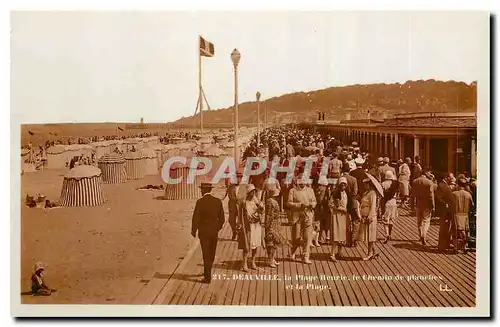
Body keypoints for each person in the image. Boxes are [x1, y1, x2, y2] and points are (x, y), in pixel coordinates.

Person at [191, 182, 225, 283]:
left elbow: (195, 217)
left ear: (203, 190)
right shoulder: (218, 201)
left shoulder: (200, 202)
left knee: (206, 253)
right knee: (212, 252)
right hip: (214, 232)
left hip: (204, 232)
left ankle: (207, 276)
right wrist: (217, 228)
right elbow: (222, 219)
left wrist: (194, 230)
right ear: (210, 190)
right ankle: (208, 270)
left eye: (201, 189)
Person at [287, 174, 317, 264]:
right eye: (300, 180)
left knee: (307, 237)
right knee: (296, 237)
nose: (302, 182)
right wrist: (299, 205)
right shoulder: (292, 191)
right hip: (297, 217)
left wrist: (313, 204)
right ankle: (292, 252)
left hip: (308, 215)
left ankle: (305, 256)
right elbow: (288, 203)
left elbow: (314, 201)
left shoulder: (310, 190)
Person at [238, 184, 265, 271]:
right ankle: (244, 263)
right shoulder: (243, 202)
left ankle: (253, 261)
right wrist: (239, 224)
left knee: (255, 244)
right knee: (247, 245)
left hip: (256, 225)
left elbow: (262, 211)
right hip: (248, 226)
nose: (253, 193)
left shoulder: (256, 201)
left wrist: (261, 208)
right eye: (252, 192)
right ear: (248, 193)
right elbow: (239, 214)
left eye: (254, 191)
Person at [357, 177, 379, 261]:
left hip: (370, 217)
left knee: (370, 236)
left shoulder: (373, 193)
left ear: (369, 185)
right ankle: (374, 251)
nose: (365, 186)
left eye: (366, 184)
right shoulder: (366, 192)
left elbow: (373, 206)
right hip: (364, 215)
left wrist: (370, 217)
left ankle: (369, 253)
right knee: (368, 235)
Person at [411, 171, 435, 246]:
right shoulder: (429, 182)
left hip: (418, 203)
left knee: (419, 221)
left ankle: (420, 235)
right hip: (427, 204)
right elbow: (431, 195)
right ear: (425, 174)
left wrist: (412, 204)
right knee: (426, 221)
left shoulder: (415, 181)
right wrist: (433, 205)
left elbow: (412, 193)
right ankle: (424, 234)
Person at [328, 177, 349, 262]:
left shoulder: (346, 193)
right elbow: (330, 204)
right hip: (337, 215)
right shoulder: (335, 193)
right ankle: (332, 253)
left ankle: (339, 251)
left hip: (343, 216)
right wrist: (339, 208)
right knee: (336, 234)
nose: (343, 186)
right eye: (342, 184)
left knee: (342, 234)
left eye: (344, 184)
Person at [435, 172, 456, 252]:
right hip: (445, 212)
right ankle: (441, 246)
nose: (452, 179)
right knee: (444, 229)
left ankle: (446, 244)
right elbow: (438, 197)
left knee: (447, 229)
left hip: (448, 212)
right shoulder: (441, 185)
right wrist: (445, 204)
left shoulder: (446, 185)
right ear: (446, 177)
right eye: (451, 177)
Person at [452, 176, 474, 253]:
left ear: (458, 184)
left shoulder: (454, 194)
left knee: (455, 231)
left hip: (456, 214)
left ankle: (455, 248)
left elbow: (450, 204)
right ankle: (464, 247)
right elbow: (472, 206)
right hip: (465, 215)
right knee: (465, 230)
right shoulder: (468, 194)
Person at [264, 187, 285, 268]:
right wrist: (268, 226)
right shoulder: (270, 202)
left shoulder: (273, 201)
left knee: (275, 242)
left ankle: (272, 258)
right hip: (271, 224)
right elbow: (269, 215)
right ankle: (270, 259)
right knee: (271, 243)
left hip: (275, 223)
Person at [382, 170, 399, 243]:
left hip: (386, 202)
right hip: (394, 202)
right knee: (392, 218)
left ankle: (386, 234)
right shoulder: (395, 184)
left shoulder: (383, 184)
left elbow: (381, 194)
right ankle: (390, 233)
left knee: (386, 220)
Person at [315, 176, 331, 244]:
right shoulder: (328, 190)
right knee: (327, 223)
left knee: (320, 223)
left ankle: (319, 238)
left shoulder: (318, 190)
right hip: (326, 208)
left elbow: (318, 200)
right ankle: (327, 238)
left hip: (320, 208)